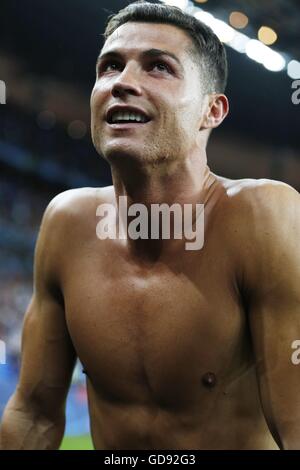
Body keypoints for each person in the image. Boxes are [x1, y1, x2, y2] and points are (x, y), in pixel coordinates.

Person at [1, 1, 300, 450]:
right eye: (110, 66)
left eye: (158, 67)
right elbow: (33, 414)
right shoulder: (67, 222)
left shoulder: (262, 216)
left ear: (211, 111)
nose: (122, 83)